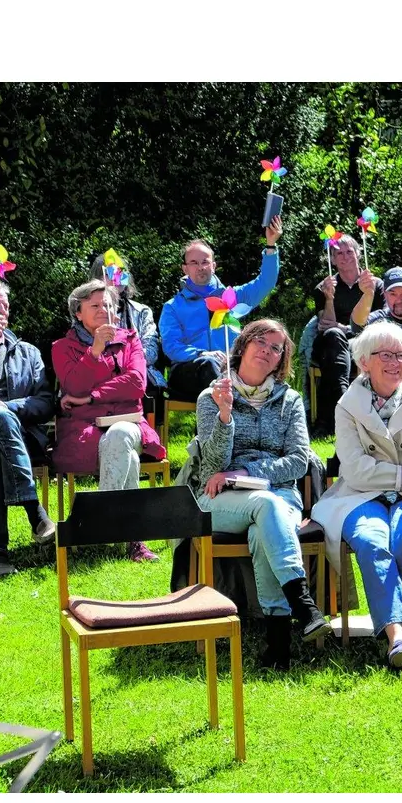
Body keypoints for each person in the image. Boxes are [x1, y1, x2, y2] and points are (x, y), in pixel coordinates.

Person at [178, 319, 328, 668]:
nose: (267, 350)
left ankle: (279, 646)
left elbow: (298, 462)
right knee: (265, 504)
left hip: (279, 496)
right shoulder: (210, 397)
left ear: (281, 360)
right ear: (243, 344)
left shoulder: (289, 401)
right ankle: (302, 603)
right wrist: (225, 416)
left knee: (266, 522)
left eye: (276, 348)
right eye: (261, 341)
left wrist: (247, 471)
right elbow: (213, 465)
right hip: (220, 499)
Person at [313, 322, 402, 669]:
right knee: (371, 540)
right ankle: (400, 635)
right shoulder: (347, 405)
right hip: (357, 497)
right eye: (387, 356)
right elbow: (355, 470)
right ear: (364, 362)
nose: (396, 363)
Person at [51, 280, 168, 563]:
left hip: (129, 423)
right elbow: (72, 385)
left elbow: (137, 383)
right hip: (84, 432)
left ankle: (98, 521)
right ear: (77, 312)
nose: (104, 309)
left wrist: (91, 396)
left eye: (108, 304)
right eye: (95, 305)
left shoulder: (130, 339)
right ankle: (133, 540)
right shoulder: (62, 347)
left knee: (121, 434)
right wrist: (95, 351)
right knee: (127, 452)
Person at [0, 280, 56, 576]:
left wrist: (7, 406)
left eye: (4, 304)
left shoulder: (27, 352)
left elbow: (44, 402)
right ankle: (34, 510)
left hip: (12, 439)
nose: (0, 310)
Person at [160, 216, 283, 403]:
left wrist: (271, 245)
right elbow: (171, 346)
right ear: (185, 269)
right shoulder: (172, 307)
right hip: (189, 369)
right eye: (194, 263)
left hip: (230, 367)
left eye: (205, 262)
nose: (201, 267)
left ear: (214, 266)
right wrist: (202, 354)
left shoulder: (231, 297)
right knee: (210, 365)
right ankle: (220, 427)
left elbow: (265, 283)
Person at [308, 234, 381, 437]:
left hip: (365, 341)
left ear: (359, 254)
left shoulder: (375, 285)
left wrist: (346, 328)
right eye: (339, 253)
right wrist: (329, 298)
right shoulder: (324, 288)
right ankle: (346, 409)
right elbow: (325, 325)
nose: (345, 257)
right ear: (332, 259)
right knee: (333, 337)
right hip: (331, 344)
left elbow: (380, 322)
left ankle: (327, 420)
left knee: (340, 338)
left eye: (349, 252)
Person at [86, 250, 163, 388]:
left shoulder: (142, 312)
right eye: (110, 272)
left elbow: (151, 354)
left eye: (121, 271)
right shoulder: (86, 311)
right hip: (98, 375)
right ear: (98, 278)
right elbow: (83, 350)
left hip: (137, 376)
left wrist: (122, 360)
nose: (117, 277)